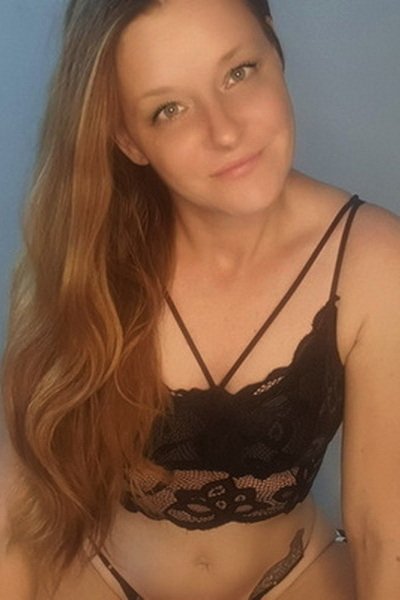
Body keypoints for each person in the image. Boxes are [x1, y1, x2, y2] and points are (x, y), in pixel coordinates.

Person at [1, 0, 400, 599]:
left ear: (273, 47)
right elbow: (15, 516)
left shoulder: (374, 258)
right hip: (98, 579)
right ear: (129, 139)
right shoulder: (83, 259)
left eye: (238, 72)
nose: (225, 132)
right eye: (169, 109)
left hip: (297, 579)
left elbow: (382, 531)